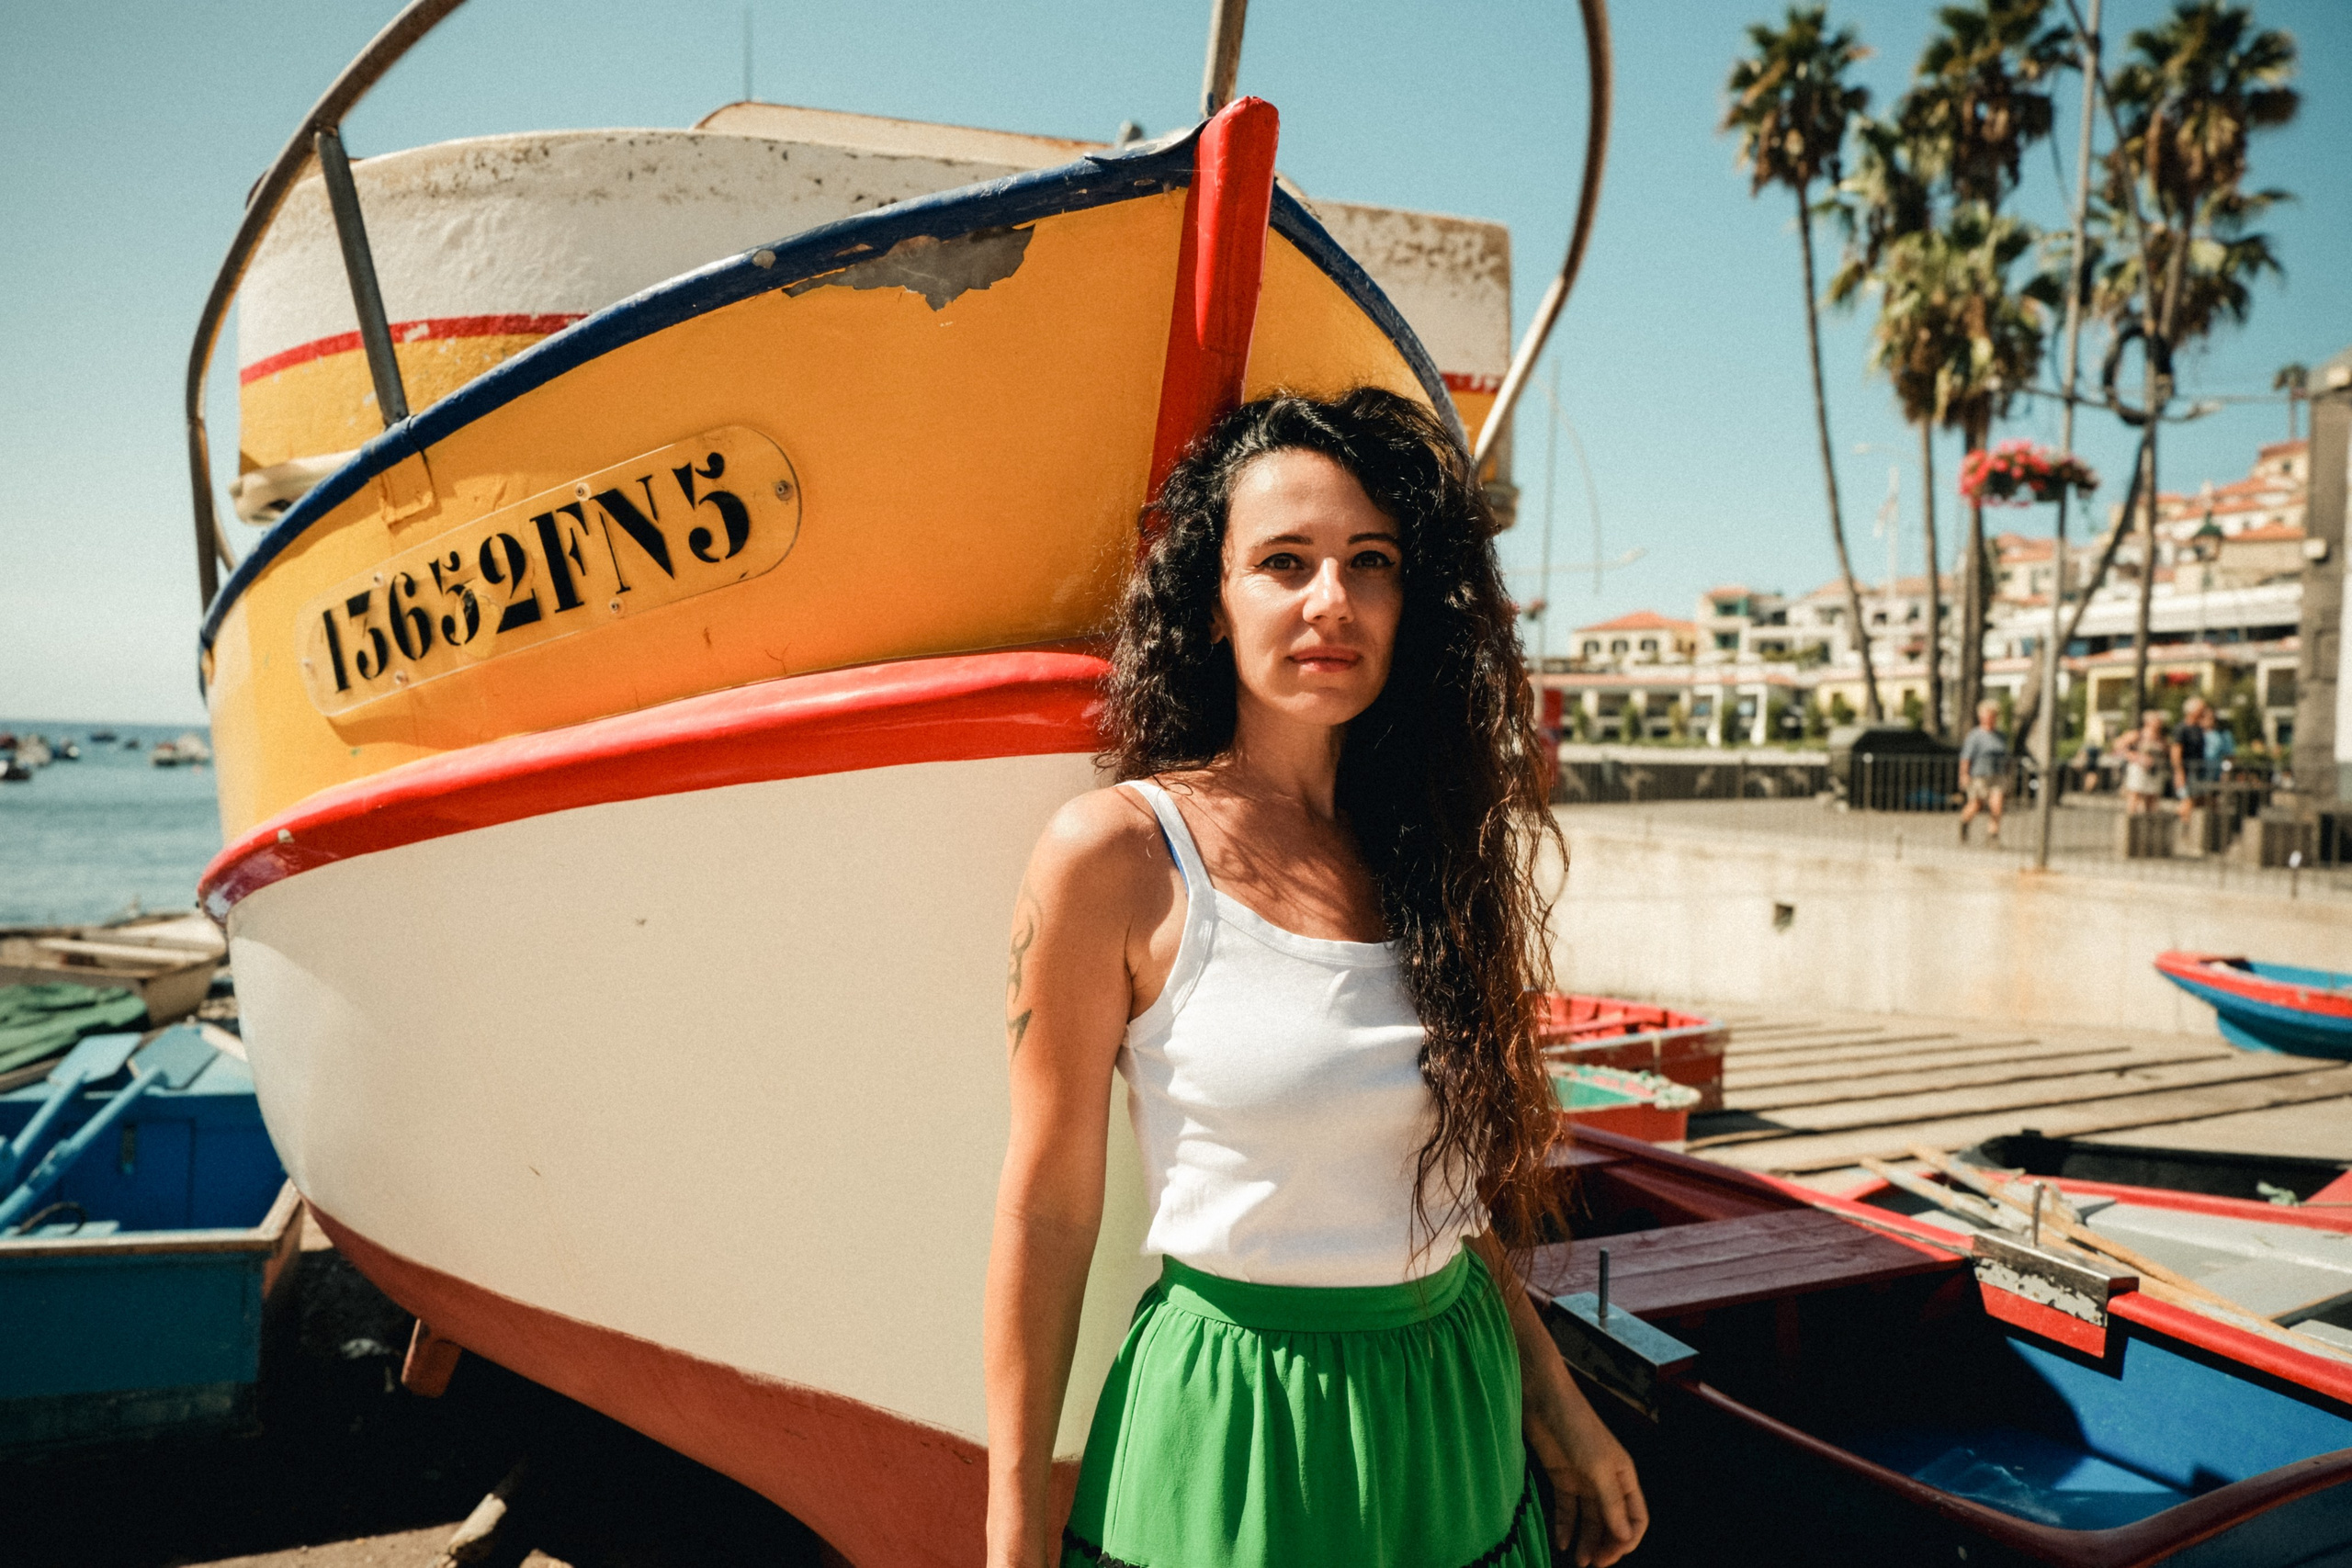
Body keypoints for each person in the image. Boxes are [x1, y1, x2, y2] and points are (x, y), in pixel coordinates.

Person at [983, 390, 1646, 1568]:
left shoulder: (1432, 853)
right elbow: (1045, 1213)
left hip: (1453, 1407)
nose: (1330, 601)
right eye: (1283, 563)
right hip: (1241, 1425)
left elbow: (1445, 1203)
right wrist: (1012, 1530)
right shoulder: (1118, 854)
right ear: (1213, 595)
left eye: (1369, 563)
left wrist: (1559, 1407)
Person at [1956, 700, 2009, 843]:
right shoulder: (1975, 735)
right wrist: (1964, 775)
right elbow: (1966, 757)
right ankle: (1964, 823)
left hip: (1997, 775)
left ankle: (1992, 834)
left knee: (1997, 805)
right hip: (1979, 776)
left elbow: (2006, 756)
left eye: (1992, 715)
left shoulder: (2001, 736)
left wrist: (2007, 774)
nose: (1989, 718)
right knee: (1976, 805)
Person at [2117, 708, 2169, 816]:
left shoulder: (2161, 738)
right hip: (2139, 769)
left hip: (2155, 771)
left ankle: (2149, 825)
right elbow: (2119, 746)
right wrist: (2135, 757)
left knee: (2152, 798)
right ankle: (2131, 822)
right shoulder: (2137, 734)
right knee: (2135, 795)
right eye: (2157, 720)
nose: (2159, 722)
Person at [2170, 696, 2211, 824]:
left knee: (2199, 801)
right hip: (2187, 771)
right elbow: (2176, 752)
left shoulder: (2198, 729)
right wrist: (2179, 772)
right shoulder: (2182, 729)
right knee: (2187, 800)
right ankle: (2180, 822)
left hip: (2198, 770)